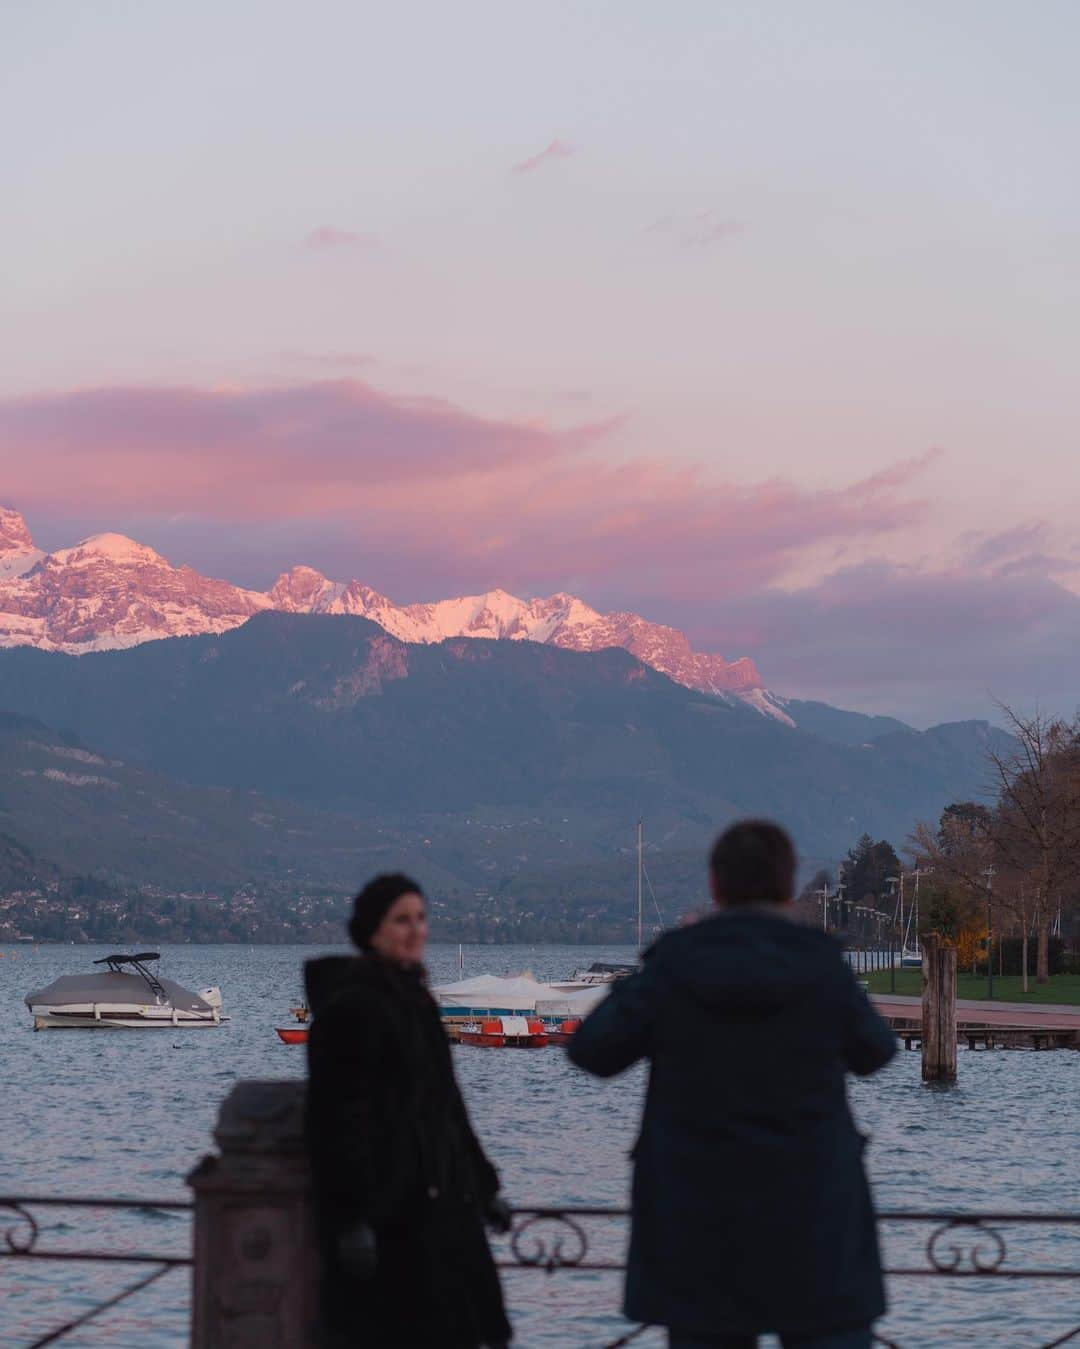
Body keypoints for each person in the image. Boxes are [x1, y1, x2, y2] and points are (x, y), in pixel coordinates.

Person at [568, 821, 897, 1349]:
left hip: (698, 1221)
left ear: (716, 885)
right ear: (789, 886)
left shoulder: (675, 964)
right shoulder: (820, 964)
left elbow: (592, 1051)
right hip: (815, 1216)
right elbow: (876, 1053)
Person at [305, 873, 513, 1349]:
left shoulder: (417, 1003)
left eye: (421, 918)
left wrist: (485, 1188)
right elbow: (332, 1122)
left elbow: (449, 1108)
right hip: (388, 1216)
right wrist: (350, 1219)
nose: (416, 930)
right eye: (402, 920)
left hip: (444, 1209)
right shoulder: (348, 1010)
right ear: (372, 931)